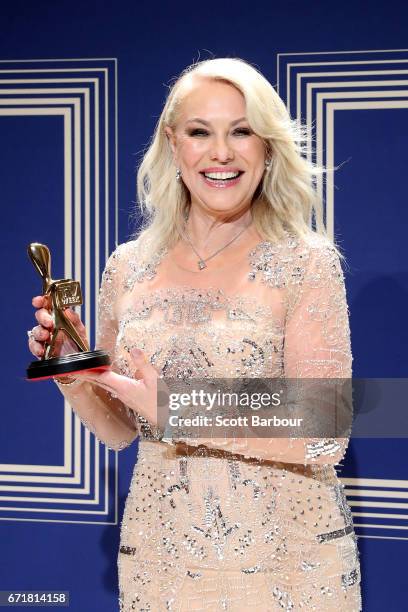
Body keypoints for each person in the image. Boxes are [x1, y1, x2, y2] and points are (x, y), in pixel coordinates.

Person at [28, 57, 362, 611]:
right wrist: (75, 371)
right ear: (172, 142)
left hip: (289, 566)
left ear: (268, 147)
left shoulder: (307, 263)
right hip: (160, 564)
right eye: (200, 132)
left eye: (242, 132)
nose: (221, 153)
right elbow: (119, 432)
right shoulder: (128, 266)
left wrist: (178, 409)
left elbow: (326, 430)